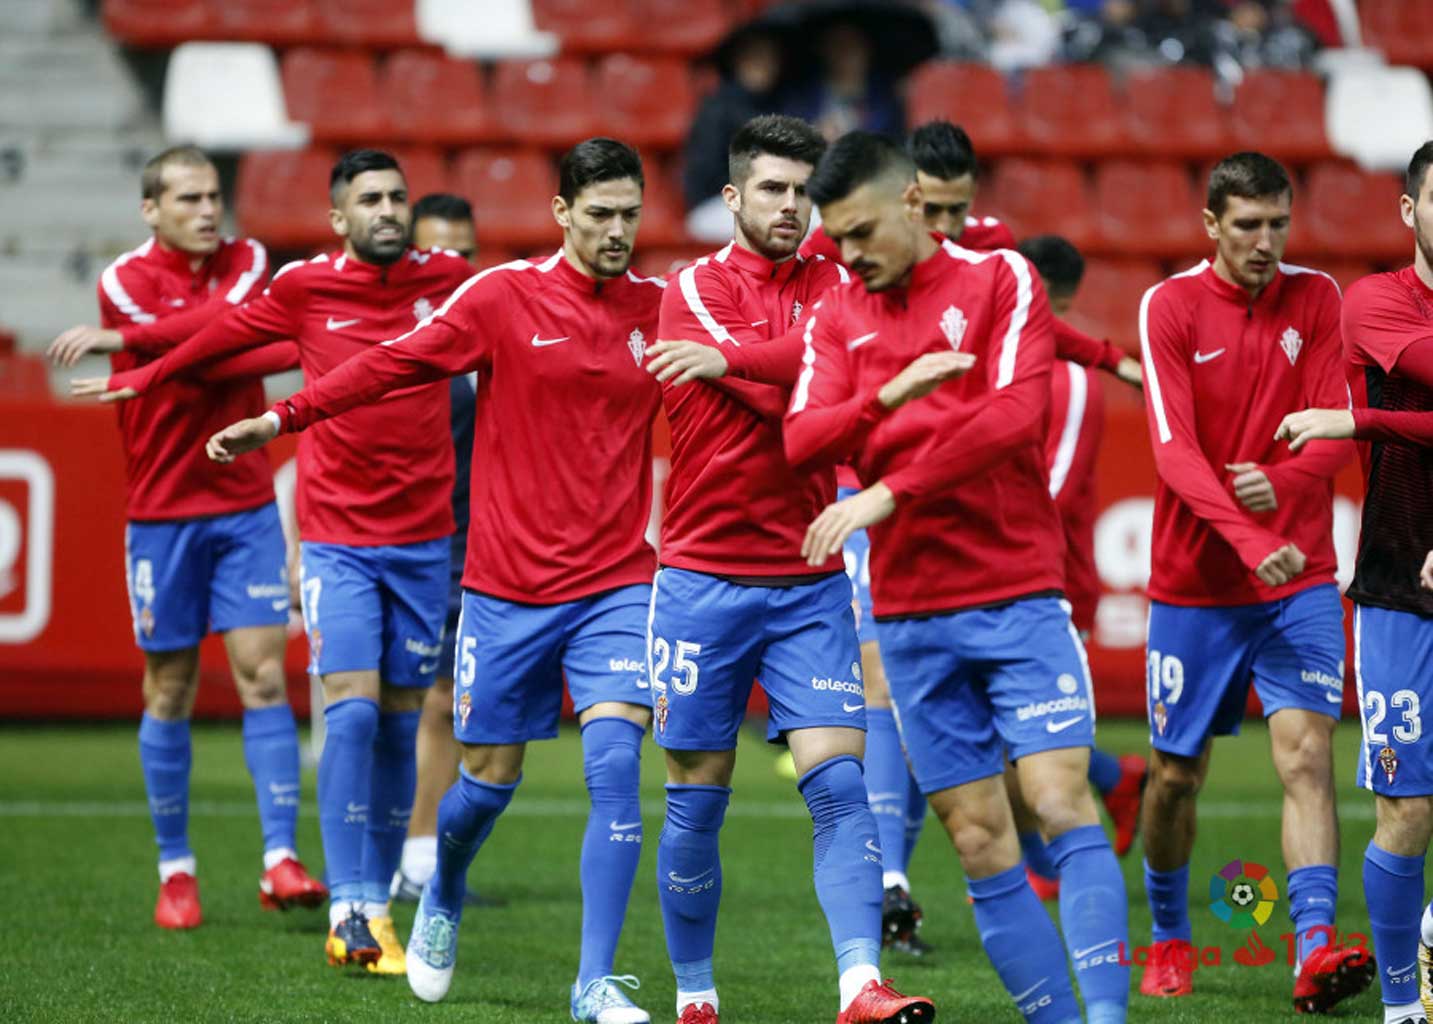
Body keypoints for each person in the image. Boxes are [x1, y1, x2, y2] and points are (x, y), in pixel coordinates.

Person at [655, 131, 1132, 1024]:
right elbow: (802, 437)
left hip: (1017, 588)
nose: (849, 254)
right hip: (904, 611)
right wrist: (884, 398)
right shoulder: (839, 311)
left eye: (861, 231)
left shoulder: (1002, 282)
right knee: (978, 836)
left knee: (1059, 799)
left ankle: (1091, 1018)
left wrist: (888, 487)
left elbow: (1014, 415)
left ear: (912, 205)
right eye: (839, 239)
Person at [197, 138, 665, 1024]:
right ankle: (443, 883)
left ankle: (593, 982)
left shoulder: (661, 308)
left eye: (629, 215)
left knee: (614, 763)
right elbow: (386, 366)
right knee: (485, 784)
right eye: (598, 214)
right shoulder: (498, 296)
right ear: (562, 212)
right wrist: (282, 415)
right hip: (506, 590)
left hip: (616, 583)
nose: (615, 231)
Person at [73, 150, 473, 975]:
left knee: (402, 719)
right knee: (348, 713)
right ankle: (343, 905)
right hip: (333, 536)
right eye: (370, 199)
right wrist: (143, 372)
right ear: (338, 219)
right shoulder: (298, 286)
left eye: (398, 196)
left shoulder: (452, 282)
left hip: (427, 536)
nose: (389, 209)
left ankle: (373, 896)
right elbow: (220, 338)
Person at [649, 114, 931, 1024]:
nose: (790, 206)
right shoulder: (688, 288)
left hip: (808, 575)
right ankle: (696, 994)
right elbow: (801, 377)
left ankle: (859, 985)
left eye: (803, 190)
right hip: (700, 577)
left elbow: (816, 372)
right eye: (770, 189)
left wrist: (733, 357)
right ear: (732, 196)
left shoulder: (841, 284)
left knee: (839, 783)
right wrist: (777, 363)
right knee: (696, 797)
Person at [48, 145, 322, 931]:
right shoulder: (122, 280)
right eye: (189, 198)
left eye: (213, 197)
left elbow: (212, 337)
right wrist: (246, 350)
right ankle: (176, 871)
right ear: (151, 210)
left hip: (242, 506)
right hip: (162, 508)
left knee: (262, 675)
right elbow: (206, 358)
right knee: (168, 686)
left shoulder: (250, 257)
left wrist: (143, 353)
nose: (208, 211)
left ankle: (279, 858)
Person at [1135, 151, 1370, 1012]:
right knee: (1174, 776)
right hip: (1197, 583)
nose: (1265, 241)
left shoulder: (1318, 298)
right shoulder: (1168, 304)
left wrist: (1290, 485)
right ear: (1210, 226)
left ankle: (1312, 949)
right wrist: (1241, 532)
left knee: (1307, 756)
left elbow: (1339, 433)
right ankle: (1166, 934)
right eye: (1247, 226)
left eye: (1277, 223)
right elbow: (1171, 451)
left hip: (1298, 576)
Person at [1275, 140, 1433, 1024]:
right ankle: (1402, 1009)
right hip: (1396, 590)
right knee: (1404, 807)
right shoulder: (1375, 301)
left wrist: (1359, 418)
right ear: (1409, 211)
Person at [1014, 235, 1148, 901]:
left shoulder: (1064, 373)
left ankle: (1049, 863)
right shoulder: (1022, 359)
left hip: (1049, 581)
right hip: (1012, 578)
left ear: (1041, 289)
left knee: (1022, 729)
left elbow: (1053, 491)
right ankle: (1111, 780)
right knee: (996, 725)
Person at [387, 193, 487, 906]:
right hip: (399, 543)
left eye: (464, 252)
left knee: (450, 704)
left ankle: (421, 857)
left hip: (474, 546)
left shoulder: (497, 334)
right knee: (395, 705)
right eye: (438, 251)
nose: (452, 267)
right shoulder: (399, 344)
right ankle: (393, 857)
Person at [683, 27, 785, 243]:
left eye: (770, 58)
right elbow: (705, 175)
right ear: (737, 62)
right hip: (716, 205)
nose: (764, 65)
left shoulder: (779, 106)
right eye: (756, 57)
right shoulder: (716, 108)